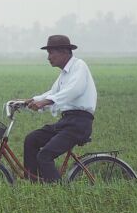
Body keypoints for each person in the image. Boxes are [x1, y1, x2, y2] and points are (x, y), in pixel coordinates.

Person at [16, 34, 97, 183]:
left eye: (51, 53)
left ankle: (59, 192)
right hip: (66, 121)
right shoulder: (64, 74)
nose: (48, 57)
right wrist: (31, 101)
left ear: (64, 52)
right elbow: (53, 93)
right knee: (32, 139)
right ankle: (34, 183)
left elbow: (73, 90)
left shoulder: (79, 66)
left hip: (79, 124)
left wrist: (45, 102)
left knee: (44, 156)